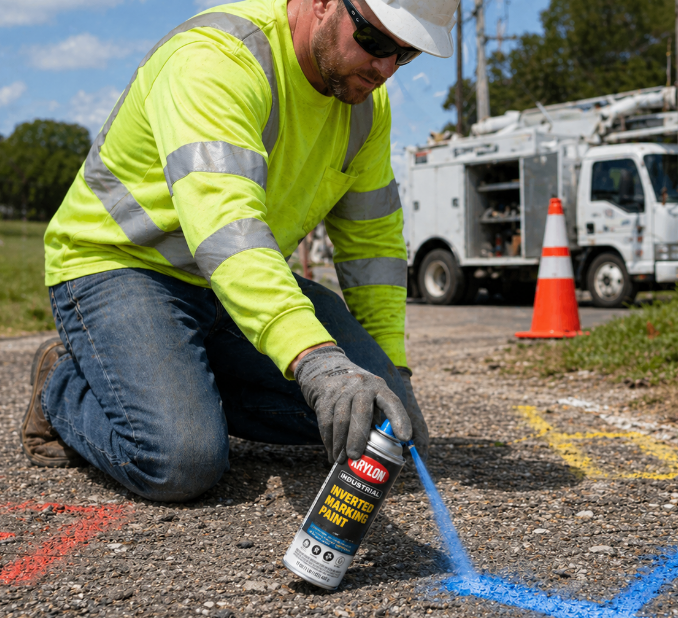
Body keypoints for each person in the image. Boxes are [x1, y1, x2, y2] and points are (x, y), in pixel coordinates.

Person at [21, 0, 459, 502]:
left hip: (233, 286)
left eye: (405, 55)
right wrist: (314, 358)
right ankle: (63, 383)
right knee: (182, 461)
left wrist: (394, 371)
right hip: (123, 267)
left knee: (381, 420)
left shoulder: (365, 105)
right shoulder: (216, 60)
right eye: (376, 42)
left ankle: (176, 382)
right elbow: (227, 229)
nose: (384, 69)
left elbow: (373, 246)